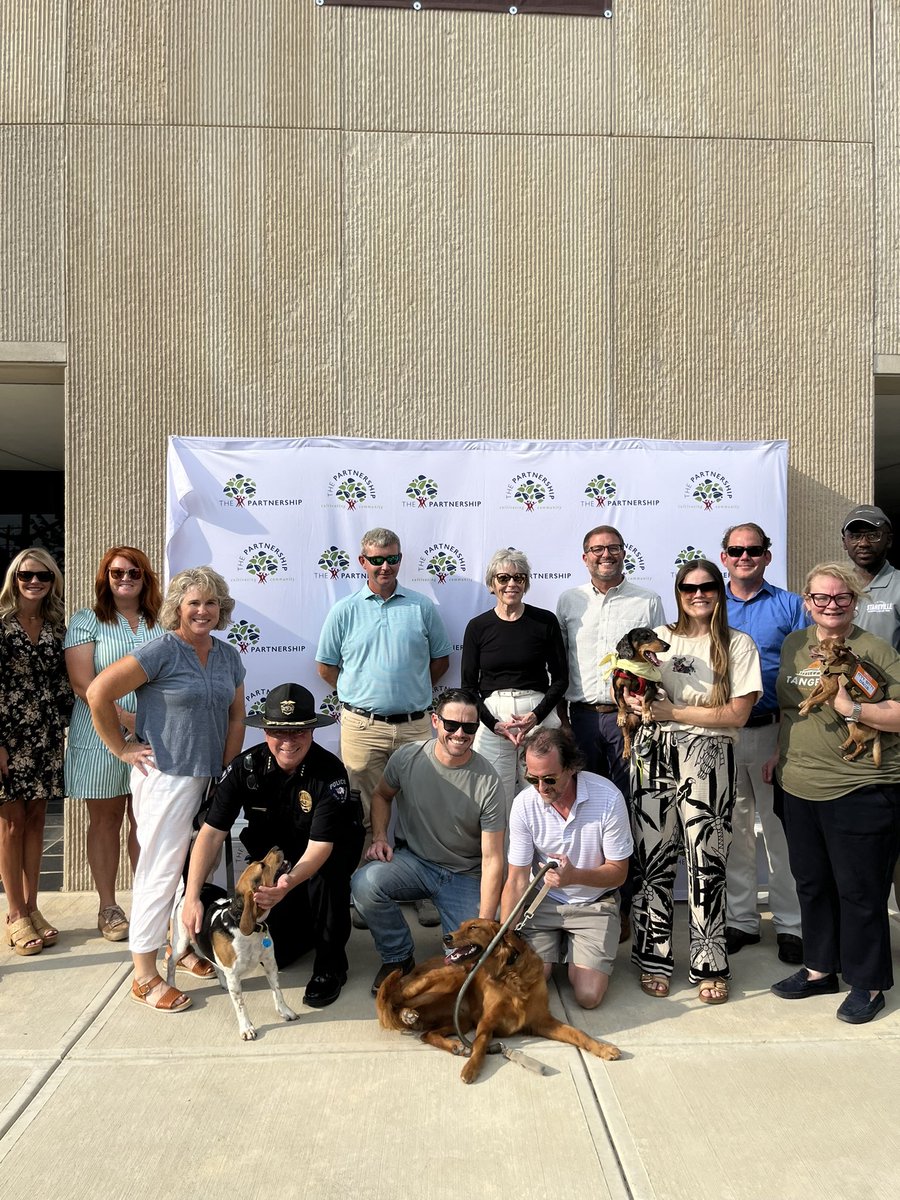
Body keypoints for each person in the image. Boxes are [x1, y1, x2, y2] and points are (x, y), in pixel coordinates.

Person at [87, 566, 245, 1014]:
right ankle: (143, 973)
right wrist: (122, 748)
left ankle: (186, 946)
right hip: (166, 776)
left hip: (208, 776)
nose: (203, 610)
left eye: (211, 603)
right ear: (177, 607)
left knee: (199, 869)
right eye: (194, 602)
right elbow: (99, 693)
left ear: (221, 609)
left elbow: (236, 716)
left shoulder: (228, 655)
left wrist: (228, 768)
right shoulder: (161, 650)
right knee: (159, 871)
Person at [766, 562, 900, 1024]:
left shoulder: (874, 648)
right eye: (820, 598)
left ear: (854, 602)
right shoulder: (795, 645)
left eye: (841, 597)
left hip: (858, 788)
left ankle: (867, 983)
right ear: (807, 602)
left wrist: (853, 706)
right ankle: (820, 969)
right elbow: (789, 705)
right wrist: (779, 752)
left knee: (860, 891)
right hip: (798, 785)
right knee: (812, 883)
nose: (831, 605)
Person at [628, 559, 762, 1005]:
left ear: (720, 590)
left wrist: (675, 712)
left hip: (708, 755)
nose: (698, 593)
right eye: (688, 587)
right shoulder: (656, 640)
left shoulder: (737, 644)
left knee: (708, 860)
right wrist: (634, 698)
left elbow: (737, 714)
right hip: (653, 751)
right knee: (653, 859)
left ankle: (710, 962)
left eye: (707, 586)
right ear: (678, 590)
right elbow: (633, 693)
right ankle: (653, 957)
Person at [182, 683, 364, 1008]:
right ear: (266, 730)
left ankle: (331, 965)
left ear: (311, 731)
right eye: (279, 731)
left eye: (298, 732)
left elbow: (320, 848)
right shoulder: (244, 768)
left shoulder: (329, 773)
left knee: (327, 878)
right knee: (286, 951)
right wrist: (191, 896)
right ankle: (309, 927)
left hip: (319, 860)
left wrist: (288, 885)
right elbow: (211, 833)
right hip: (275, 865)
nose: (288, 742)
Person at [316, 526, 451, 928]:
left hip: (414, 726)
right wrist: (363, 694)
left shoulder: (422, 607)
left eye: (392, 558)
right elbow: (327, 667)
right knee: (358, 810)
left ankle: (423, 890)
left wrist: (405, 692)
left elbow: (440, 662)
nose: (385, 566)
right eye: (377, 559)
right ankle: (363, 890)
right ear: (363, 562)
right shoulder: (344, 610)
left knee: (419, 810)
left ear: (400, 560)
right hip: (362, 726)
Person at [351, 689, 505, 994]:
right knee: (365, 882)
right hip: (415, 862)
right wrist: (380, 835)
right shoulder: (407, 758)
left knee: (471, 975)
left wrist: (484, 923)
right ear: (435, 721)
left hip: (465, 875)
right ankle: (397, 958)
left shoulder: (489, 781)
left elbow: (492, 859)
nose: (460, 734)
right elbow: (382, 795)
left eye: (469, 727)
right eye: (451, 725)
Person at [556, 524, 665, 941]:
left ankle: (629, 907)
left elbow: (658, 662)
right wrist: (564, 719)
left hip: (630, 719)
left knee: (630, 811)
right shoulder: (569, 601)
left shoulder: (647, 600)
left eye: (613, 548)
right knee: (585, 812)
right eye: (597, 549)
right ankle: (591, 904)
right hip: (581, 718)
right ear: (585, 557)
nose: (606, 555)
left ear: (624, 553)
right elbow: (563, 662)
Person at [64, 546, 164, 941]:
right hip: (100, 735)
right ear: (105, 577)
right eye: (117, 572)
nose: (125, 578)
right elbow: (81, 683)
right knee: (105, 822)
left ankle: (146, 903)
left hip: (154, 736)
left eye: (134, 572)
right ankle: (108, 907)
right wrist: (124, 719)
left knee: (146, 823)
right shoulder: (88, 621)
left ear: (146, 577)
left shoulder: (162, 621)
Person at [720, 523, 807, 964]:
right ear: (724, 557)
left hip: (775, 730)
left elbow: (809, 675)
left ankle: (791, 925)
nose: (745, 557)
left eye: (753, 550)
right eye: (736, 550)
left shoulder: (792, 606)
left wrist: (787, 741)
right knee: (734, 832)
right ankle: (741, 920)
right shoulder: (710, 605)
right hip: (723, 734)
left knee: (780, 833)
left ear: (767, 556)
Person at [500, 727, 632, 1008]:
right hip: (543, 902)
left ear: (572, 768)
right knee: (528, 982)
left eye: (549, 779)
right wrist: (504, 937)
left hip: (594, 903)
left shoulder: (607, 797)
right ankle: (557, 948)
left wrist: (574, 877)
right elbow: (516, 880)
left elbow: (619, 872)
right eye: (531, 778)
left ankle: (572, 949)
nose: (541, 788)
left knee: (588, 996)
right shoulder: (524, 804)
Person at [0, 548, 74, 955]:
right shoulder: (0, 626)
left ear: (52, 582)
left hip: (44, 738)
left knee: (36, 820)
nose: (34, 582)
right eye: (27, 575)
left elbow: (64, 686)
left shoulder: (56, 628)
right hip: (7, 739)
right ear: (15, 578)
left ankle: (32, 906)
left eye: (43, 576)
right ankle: (14, 914)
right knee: (10, 825)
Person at [461, 548, 567, 809]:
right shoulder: (478, 626)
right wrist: (494, 724)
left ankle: (548, 851)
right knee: (496, 799)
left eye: (519, 578)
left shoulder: (545, 621)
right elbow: (468, 687)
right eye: (503, 578)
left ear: (526, 583)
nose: (511, 584)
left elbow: (561, 679)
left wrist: (535, 717)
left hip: (538, 715)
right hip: (494, 718)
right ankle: (501, 852)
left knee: (545, 797)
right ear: (491, 584)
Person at [841, 504, 900, 650]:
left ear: (889, 540)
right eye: (855, 536)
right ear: (844, 542)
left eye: (873, 536)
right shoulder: (837, 586)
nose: (863, 543)